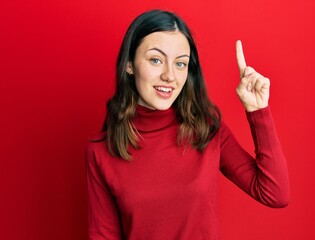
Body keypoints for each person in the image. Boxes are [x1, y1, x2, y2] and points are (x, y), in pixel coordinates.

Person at [85, 9, 290, 240]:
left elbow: (275, 193)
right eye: (156, 60)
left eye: (180, 64)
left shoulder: (207, 129)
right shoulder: (102, 151)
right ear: (129, 65)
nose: (169, 76)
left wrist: (258, 110)